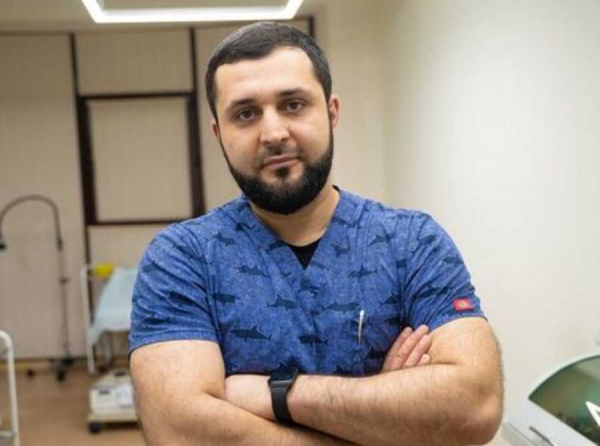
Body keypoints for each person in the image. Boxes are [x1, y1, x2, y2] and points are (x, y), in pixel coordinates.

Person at [129, 22, 503, 446]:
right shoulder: (182, 257)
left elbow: (475, 405)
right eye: (245, 114)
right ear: (218, 133)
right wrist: (387, 421)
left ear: (331, 112)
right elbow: (179, 431)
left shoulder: (412, 242)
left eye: (293, 105)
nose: (273, 133)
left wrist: (276, 395)